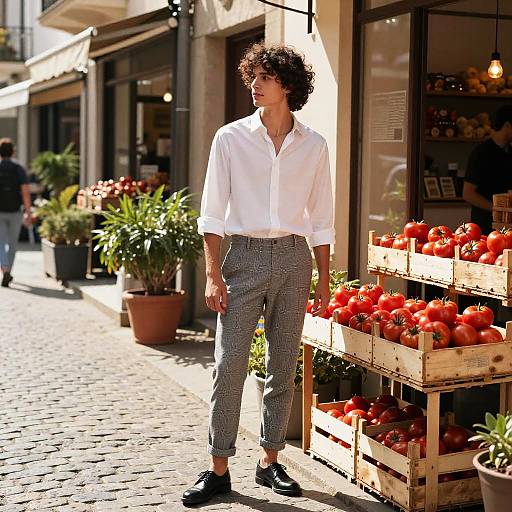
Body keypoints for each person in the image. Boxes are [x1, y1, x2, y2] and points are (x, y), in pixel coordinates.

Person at [182, 44, 335, 506]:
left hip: (293, 259)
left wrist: (324, 281)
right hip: (243, 257)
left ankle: (270, 462)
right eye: (253, 76)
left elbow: (323, 218)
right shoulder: (229, 139)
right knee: (228, 366)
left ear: (287, 86)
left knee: (282, 366)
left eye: (265, 77)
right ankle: (218, 468)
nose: (255, 84)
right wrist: (212, 274)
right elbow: (211, 214)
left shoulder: (315, 145)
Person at [463, 104, 512, 234]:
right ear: (507, 126)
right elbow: (468, 194)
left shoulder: (509, 150)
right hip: (486, 226)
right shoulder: (481, 153)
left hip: (508, 225)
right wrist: (498, 209)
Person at [0, 138, 31, 287]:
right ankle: (8, 271)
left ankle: (4, 269)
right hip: (15, 212)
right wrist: (28, 212)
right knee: (12, 244)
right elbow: (25, 192)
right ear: (13, 151)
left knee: (0, 243)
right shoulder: (18, 168)